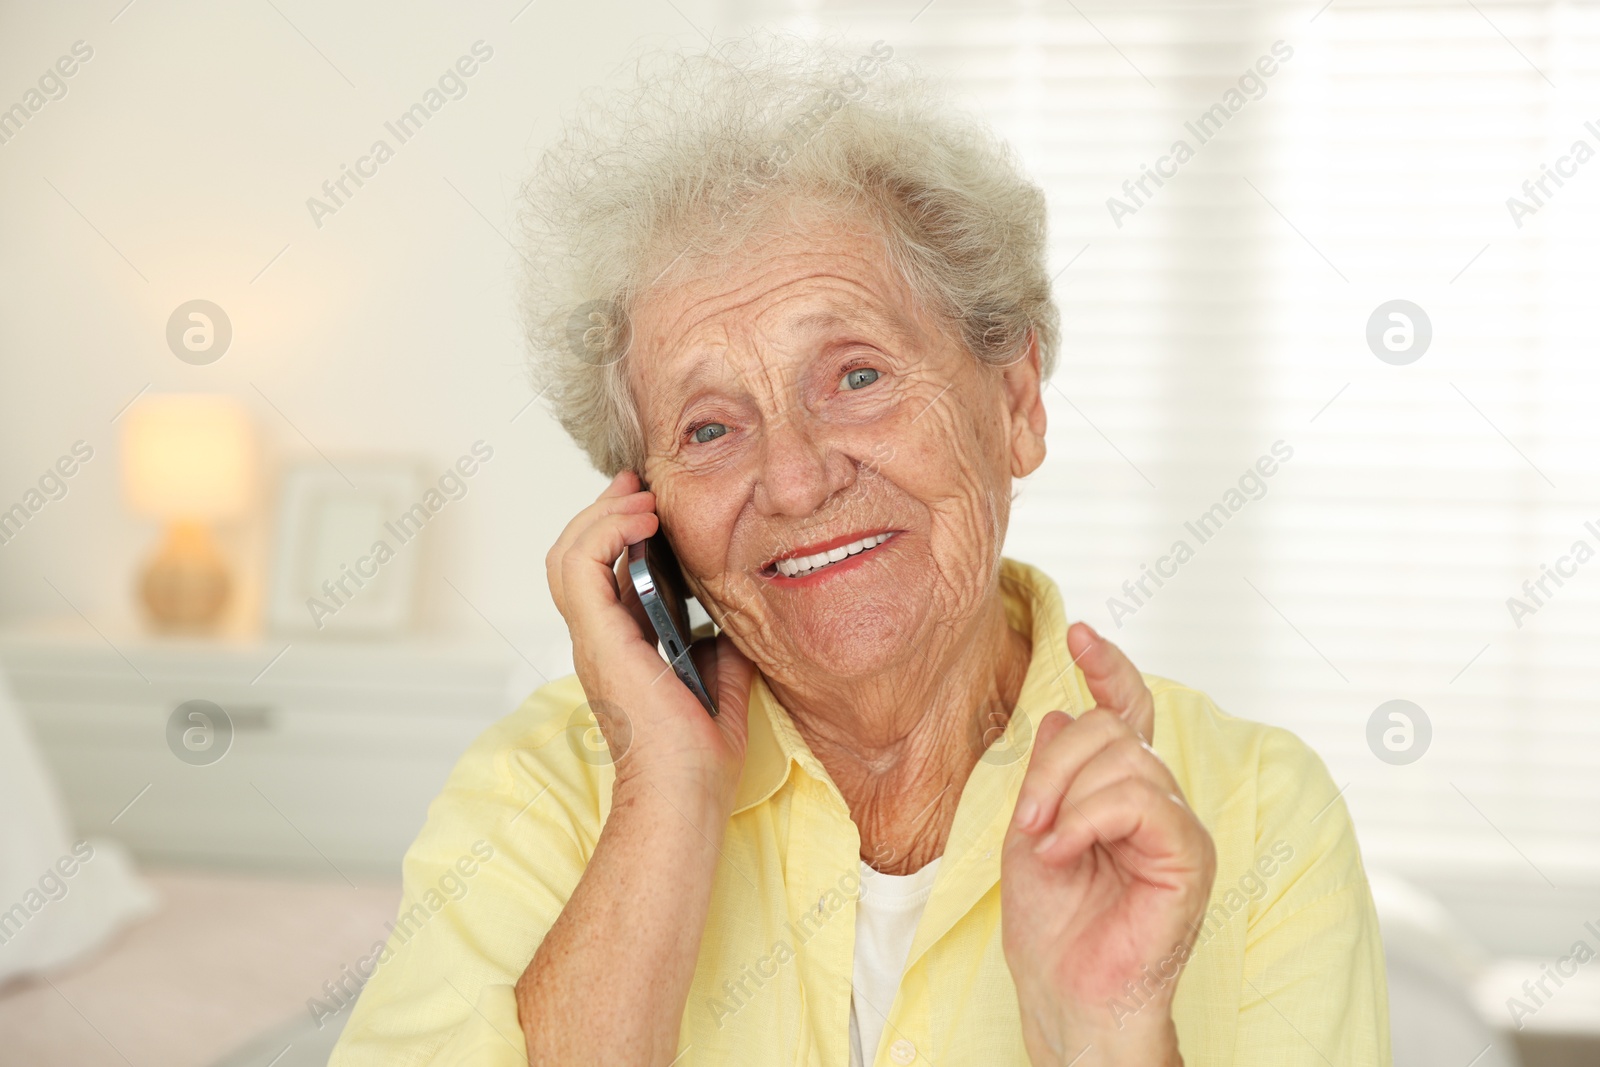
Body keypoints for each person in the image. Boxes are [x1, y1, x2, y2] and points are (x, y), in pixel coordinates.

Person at [329, 35, 1390, 1067]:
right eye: (708, 427)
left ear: (1014, 401)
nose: (794, 478)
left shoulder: (1258, 812)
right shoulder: (543, 792)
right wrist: (663, 797)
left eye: (855, 375)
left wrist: (1105, 1042)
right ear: (643, 513)